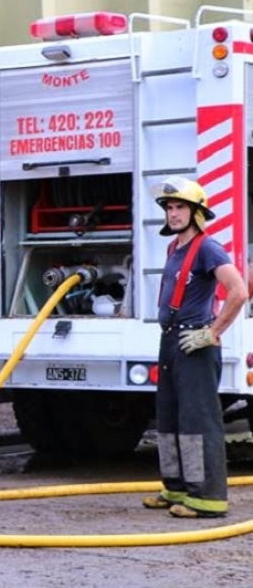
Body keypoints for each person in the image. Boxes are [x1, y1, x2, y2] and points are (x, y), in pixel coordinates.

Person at [142, 176, 247, 518]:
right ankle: (175, 488)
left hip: (195, 342)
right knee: (170, 418)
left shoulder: (208, 248)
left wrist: (212, 332)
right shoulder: (175, 248)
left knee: (197, 421)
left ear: (196, 212)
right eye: (170, 208)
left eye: (180, 208)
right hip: (172, 340)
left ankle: (207, 499)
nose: (173, 214)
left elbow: (239, 291)